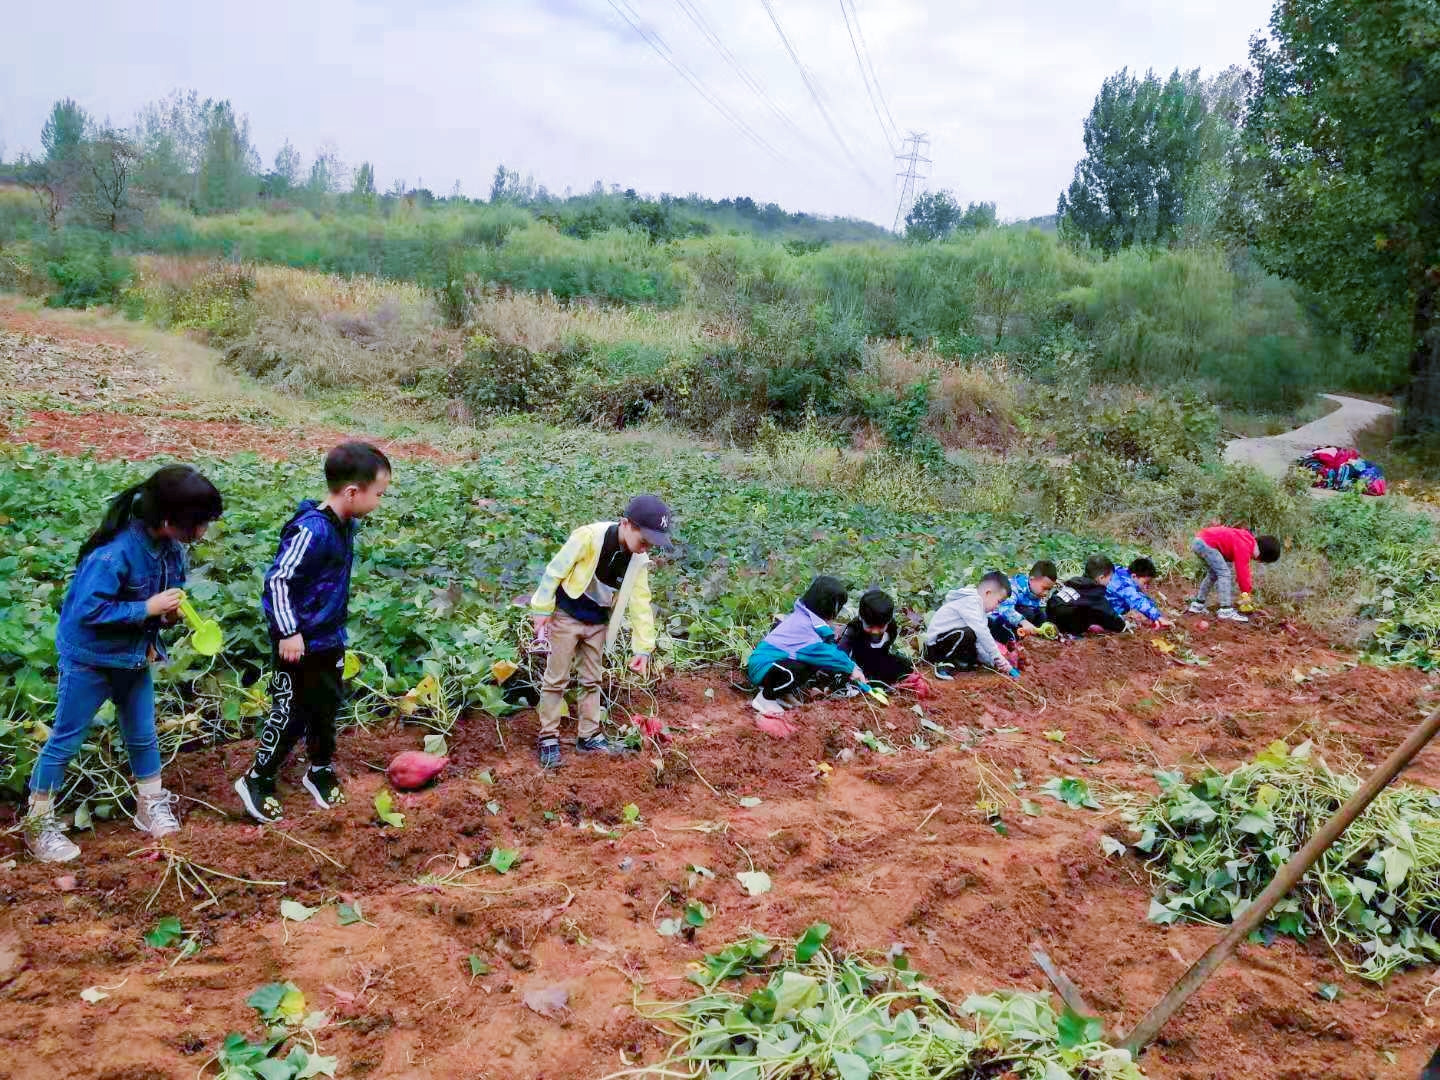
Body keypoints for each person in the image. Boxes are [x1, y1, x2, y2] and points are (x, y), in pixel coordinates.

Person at [23, 465, 224, 862]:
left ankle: (149, 805)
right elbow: (88, 611)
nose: (202, 532)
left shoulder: (172, 549)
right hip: (91, 660)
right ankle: (37, 821)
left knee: (143, 734)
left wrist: (168, 615)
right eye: (198, 523)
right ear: (167, 520)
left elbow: (165, 601)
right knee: (66, 739)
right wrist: (146, 607)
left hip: (133, 657)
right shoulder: (112, 554)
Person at [234, 443, 392, 822]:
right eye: (379, 494)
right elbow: (278, 581)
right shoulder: (311, 530)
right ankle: (257, 778)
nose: (380, 502)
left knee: (326, 708)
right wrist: (288, 632)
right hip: (299, 644)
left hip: (329, 638)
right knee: (289, 713)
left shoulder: (345, 525)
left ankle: (319, 768)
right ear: (352, 492)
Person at [527, 495, 671, 769]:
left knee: (592, 680)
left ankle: (589, 735)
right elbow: (555, 571)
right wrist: (542, 608)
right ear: (626, 524)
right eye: (644, 540)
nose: (646, 547)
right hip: (567, 616)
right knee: (556, 679)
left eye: (651, 544)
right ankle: (548, 738)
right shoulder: (589, 537)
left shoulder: (638, 560)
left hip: (598, 622)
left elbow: (640, 601)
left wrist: (643, 647)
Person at [747, 576, 865, 735]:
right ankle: (765, 698)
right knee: (794, 669)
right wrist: (851, 668)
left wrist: (850, 667)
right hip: (763, 666)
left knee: (809, 664)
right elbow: (825, 653)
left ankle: (781, 694)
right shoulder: (803, 627)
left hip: (774, 665)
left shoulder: (808, 618)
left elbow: (828, 650)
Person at [922, 572, 1020, 680]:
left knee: (973, 642)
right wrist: (999, 659)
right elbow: (982, 633)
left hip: (951, 640)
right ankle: (942, 663)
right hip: (936, 646)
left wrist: (993, 663)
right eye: (998, 602)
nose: (997, 607)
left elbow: (979, 642)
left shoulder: (980, 611)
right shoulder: (971, 602)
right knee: (969, 633)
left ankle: (958, 662)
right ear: (988, 593)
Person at [1187, 526, 1281, 624]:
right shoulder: (1245, 546)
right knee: (1224, 573)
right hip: (1206, 543)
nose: (1257, 561)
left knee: (1213, 574)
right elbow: (1242, 572)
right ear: (1263, 556)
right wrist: (1246, 593)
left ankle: (1197, 605)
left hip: (1200, 541)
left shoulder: (1245, 539)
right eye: (1261, 561)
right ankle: (1225, 610)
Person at [837, 589, 913, 686]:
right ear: (861, 618)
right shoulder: (854, 629)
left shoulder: (891, 628)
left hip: (878, 660)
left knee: (906, 665)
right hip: (858, 664)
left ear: (889, 621)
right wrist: (853, 669)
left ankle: (881, 682)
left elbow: (886, 650)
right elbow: (842, 653)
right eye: (870, 626)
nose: (875, 632)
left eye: (880, 627)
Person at [1047, 556, 1127, 636]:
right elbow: (1113, 619)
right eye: (1110, 579)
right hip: (1065, 626)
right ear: (1101, 578)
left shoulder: (1072, 582)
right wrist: (1124, 624)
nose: (1109, 582)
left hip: (1050, 613)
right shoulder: (1095, 594)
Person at [993, 560, 1059, 639]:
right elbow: (1005, 608)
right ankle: (1014, 637)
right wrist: (1023, 622)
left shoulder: (1035, 591)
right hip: (998, 619)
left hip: (1021, 616)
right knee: (1029, 613)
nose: (1046, 593)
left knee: (1041, 615)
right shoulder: (1013, 587)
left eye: (1049, 589)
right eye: (1044, 588)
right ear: (1031, 580)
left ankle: (1037, 635)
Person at [1107, 557, 1172, 629]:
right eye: (1145, 583)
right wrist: (1158, 617)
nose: (1146, 587)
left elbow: (1141, 597)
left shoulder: (1123, 572)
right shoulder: (1123, 583)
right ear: (1134, 576)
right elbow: (1138, 601)